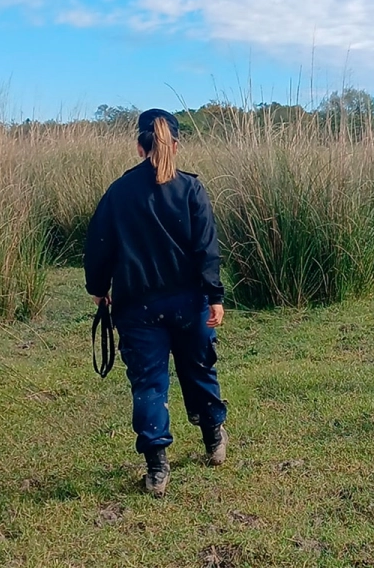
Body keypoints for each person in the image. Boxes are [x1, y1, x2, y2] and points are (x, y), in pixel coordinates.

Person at [84, 108, 228, 497]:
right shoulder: (191, 189)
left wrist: (98, 287)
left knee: (148, 384)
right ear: (175, 145)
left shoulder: (118, 192)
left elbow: (98, 245)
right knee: (199, 370)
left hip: (137, 307)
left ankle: (157, 468)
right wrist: (214, 296)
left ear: (138, 146)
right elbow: (206, 249)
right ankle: (213, 436)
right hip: (189, 303)